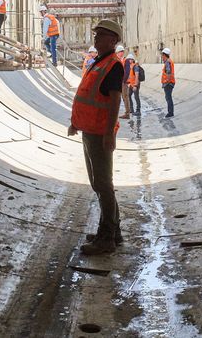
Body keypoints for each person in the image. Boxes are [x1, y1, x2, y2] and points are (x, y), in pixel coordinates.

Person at [67, 19, 126, 255]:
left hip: (100, 133)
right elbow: (88, 95)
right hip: (89, 130)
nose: (96, 38)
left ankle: (106, 238)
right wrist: (75, 123)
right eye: (96, 35)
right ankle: (114, 231)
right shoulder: (98, 62)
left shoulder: (113, 65)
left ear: (113, 40)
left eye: (101, 35)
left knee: (103, 184)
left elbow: (114, 101)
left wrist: (109, 134)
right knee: (99, 183)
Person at [126, 46, 142, 117]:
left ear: (132, 60)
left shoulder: (135, 66)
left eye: (130, 59)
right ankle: (131, 109)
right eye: (128, 59)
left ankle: (138, 111)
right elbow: (129, 77)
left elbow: (137, 76)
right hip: (131, 85)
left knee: (136, 97)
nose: (129, 60)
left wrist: (135, 85)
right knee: (128, 95)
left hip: (135, 85)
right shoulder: (129, 66)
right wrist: (129, 83)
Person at [161, 47, 176, 118]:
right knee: (168, 97)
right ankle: (170, 112)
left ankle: (170, 113)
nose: (162, 57)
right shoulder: (169, 61)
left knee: (168, 98)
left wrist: (166, 81)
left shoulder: (168, 62)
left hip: (168, 83)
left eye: (162, 55)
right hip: (170, 82)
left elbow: (169, 73)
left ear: (165, 55)